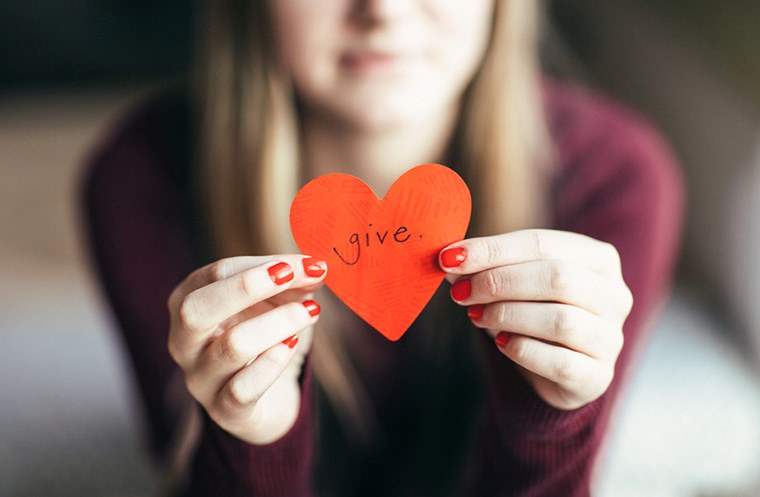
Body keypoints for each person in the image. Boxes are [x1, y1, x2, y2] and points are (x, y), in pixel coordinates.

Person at [78, 1, 684, 496]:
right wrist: (250, 438)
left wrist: (554, 416)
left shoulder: (615, 175)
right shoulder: (139, 176)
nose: (384, 12)